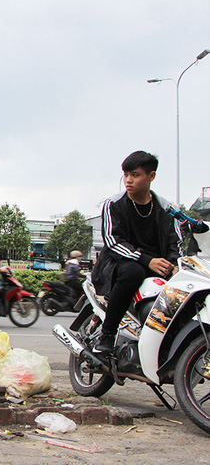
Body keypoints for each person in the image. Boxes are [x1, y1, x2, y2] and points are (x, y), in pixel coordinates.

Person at [92, 150, 182, 353]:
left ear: (152, 176)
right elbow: (112, 241)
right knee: (134, 272)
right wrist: (146, 260)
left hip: (155, 263)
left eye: (135, 175)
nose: (128, 180)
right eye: (126, 175)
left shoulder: (167, 209)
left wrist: (174, 265)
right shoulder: (113, 204)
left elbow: (175, 242)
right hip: (117, 262)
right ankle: (107, 334)